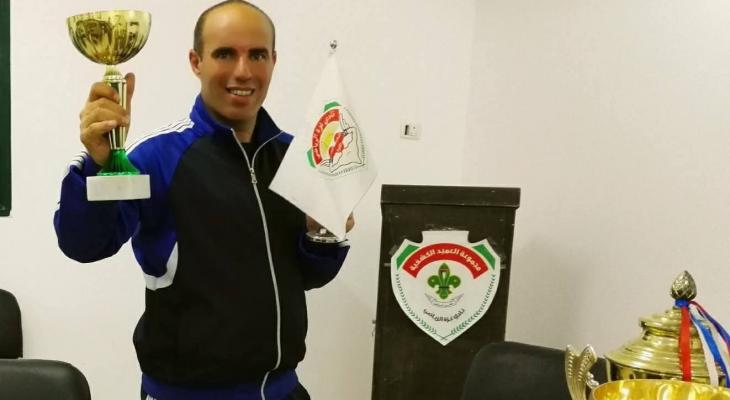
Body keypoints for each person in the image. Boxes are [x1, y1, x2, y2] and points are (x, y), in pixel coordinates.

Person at [54, 1, 354, 399]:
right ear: (196, 62)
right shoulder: (156, 158)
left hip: (283, 391)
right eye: (225, 54)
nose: (243, 71)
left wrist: (321, 237)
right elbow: (83, 245)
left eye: (257, 55)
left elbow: (307, 276)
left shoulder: (296, 158)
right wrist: (96, 165)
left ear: (273, 61)